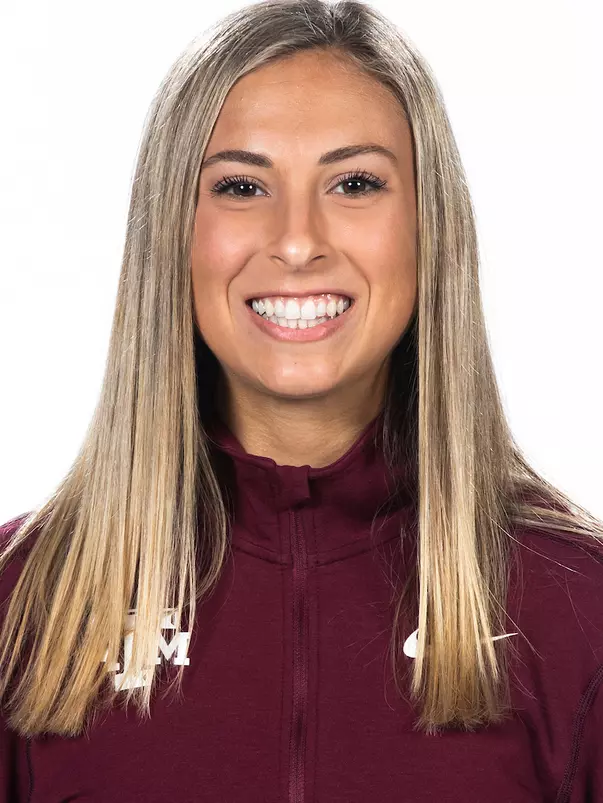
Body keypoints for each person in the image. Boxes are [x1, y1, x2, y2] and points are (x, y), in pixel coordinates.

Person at [1, 0, 602, 800]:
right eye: (241, 186)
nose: (295, 240)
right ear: (172, 233)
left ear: (427, 227)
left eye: (354, 183)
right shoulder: (21, 605)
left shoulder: (579, 607)